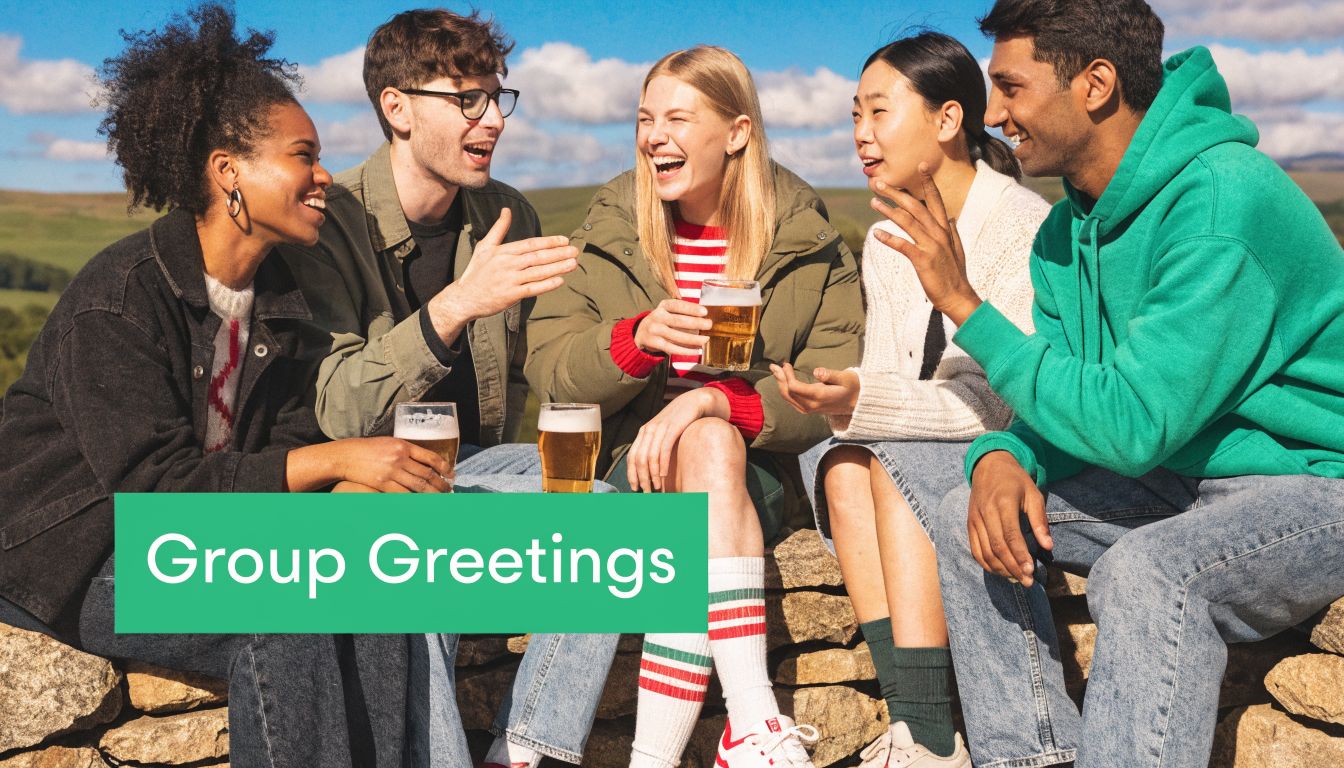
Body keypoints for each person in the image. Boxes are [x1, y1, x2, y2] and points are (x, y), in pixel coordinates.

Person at [868, 1, 1344, 767]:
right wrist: (1005, 456)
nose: (996, 114)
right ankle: (1032, 757)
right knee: (971, 516)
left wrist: (964, 305)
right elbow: (1067, 395)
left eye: (1012, 88)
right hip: (1182, 475)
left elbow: (1130, 425)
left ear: (1094, 84)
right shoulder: (1066, 233)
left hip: (1317, 482)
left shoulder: (1220, 202)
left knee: (1152, 573)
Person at [0, 5, 447, 765]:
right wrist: (340, 463)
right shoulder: (120, 298)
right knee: (284, 606)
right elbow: (152, 489)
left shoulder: (279, 299)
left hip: (191, 539)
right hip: (72, 553)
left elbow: (289, 438)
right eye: (302, 155)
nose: (323, 176)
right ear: (228, 171)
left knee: (373, 583)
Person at [277, 9, 615, 768]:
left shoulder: (507, 212)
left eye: (498, 98)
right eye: (467, 99)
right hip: (364, 482)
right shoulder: (330, 224)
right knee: (417, 553)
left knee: (609, 518)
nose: (492, 119)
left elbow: (542, 366)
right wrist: (455, 305)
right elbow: (335, 409)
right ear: (396, 108)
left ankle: (525, 750)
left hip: (474, 471)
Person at [526, 45, 864, 768]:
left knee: (709, 448)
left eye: (678, 118)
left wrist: (713, 399)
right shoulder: (610, 228)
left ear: (737, 131)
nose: (654, 136)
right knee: (695, 494)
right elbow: (550, 372)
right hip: (624, 464)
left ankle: (706, 738)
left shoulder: (805, 236)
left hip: (752, 473)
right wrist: (635, 340)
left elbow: (835, 385)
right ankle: (750, 726)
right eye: (645, 119)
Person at [773, 31, 1049, 768]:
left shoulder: (1023, 228)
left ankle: (927, 736)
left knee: (883, 462)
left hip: (1004, 453)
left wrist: (862, 399)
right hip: (906, 450)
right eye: (854, 115)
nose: (861, 134)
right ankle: (918, 728)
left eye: (879, 112)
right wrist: (850, 397)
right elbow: (886, 383)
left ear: (949, 120)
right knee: (839, 464)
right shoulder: (886, 235)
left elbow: (1001, 407)